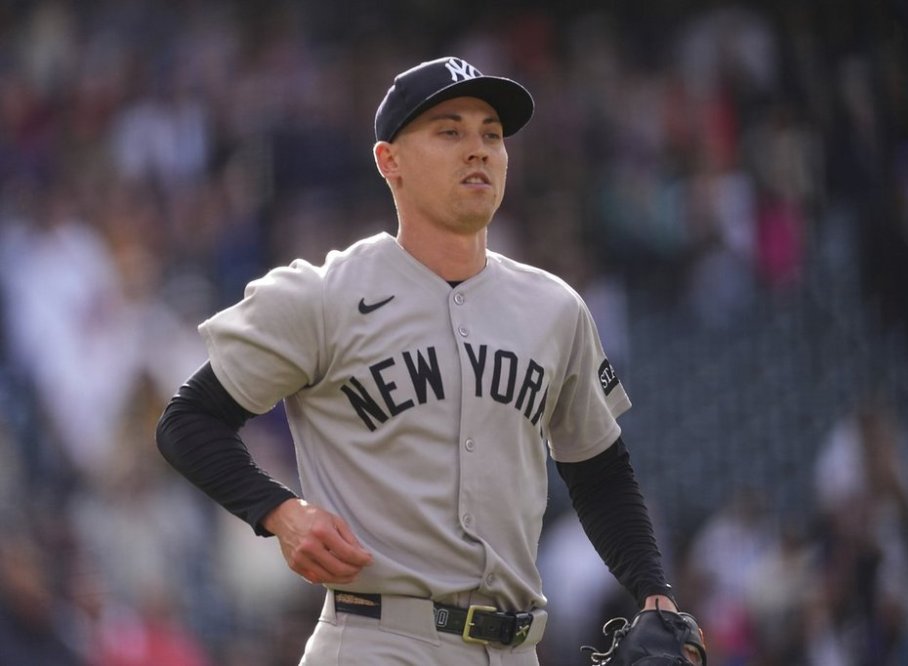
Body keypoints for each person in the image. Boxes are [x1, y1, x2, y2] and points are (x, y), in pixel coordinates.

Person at [156, 56, 690, 665]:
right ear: (391, 161)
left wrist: (654, 593)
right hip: (376, 639)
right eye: (450, 131)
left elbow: (599, 471)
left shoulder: (555, 309)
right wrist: (279, 511)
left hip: (516, 649)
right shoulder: (323, 295)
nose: (479, 150)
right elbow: (188, 419)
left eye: (492, 134)